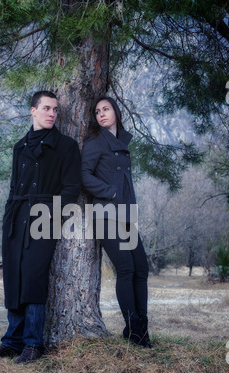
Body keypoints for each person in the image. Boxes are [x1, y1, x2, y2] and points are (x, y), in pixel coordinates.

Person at [0, 91, 81, 363]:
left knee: (33, 278)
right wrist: (8, 217)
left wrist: (51, 216)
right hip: (16, 217)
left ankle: (32, 344)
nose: (52, 113)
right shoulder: (19, 146)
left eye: (55, 110)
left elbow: (71, 189)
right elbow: (14, 187)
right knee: (13, 276)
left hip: (44, 219)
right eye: (46, 108)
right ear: (33, 111)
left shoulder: (66, 146)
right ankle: (11, 341)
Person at [81, 95, 152, 348]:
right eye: (97, 111)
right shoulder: (96, 141)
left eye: (106, 109)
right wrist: (109, 192)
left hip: (127, 216)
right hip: (106, 215)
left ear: (116, 112)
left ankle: (141, 328)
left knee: (141, 269)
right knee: (126, 268)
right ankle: (134, 331)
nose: (101, 114)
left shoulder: (122, 141)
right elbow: (84, 175)